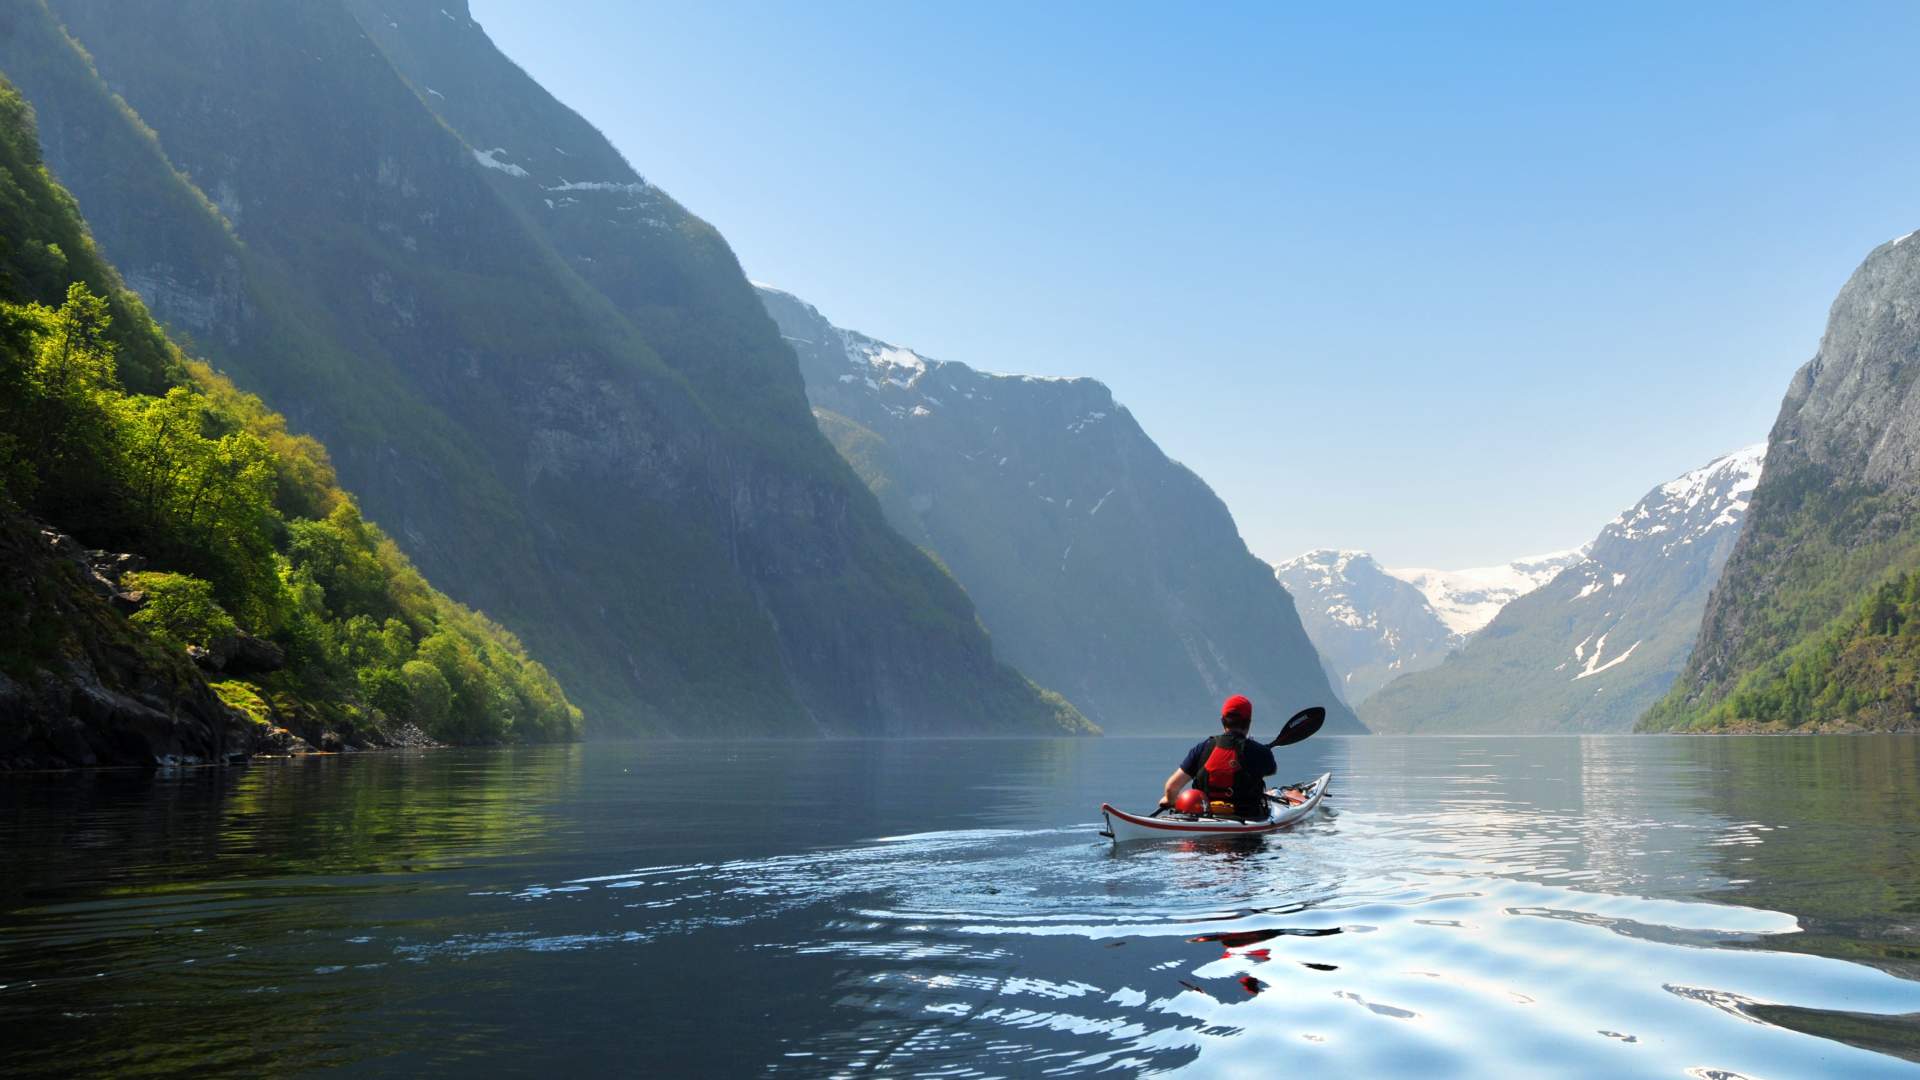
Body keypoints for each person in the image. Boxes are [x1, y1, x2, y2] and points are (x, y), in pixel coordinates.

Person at [1158, 694, 1278, 819]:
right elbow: (1271, 770)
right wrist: (1260, 751)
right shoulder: (1261, 752)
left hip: (1205, 816)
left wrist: (1170, 800)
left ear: (1223, 721)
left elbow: (1171, 787)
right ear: (1248, 722)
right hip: (1248, 817)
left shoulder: (1202, 748)